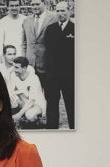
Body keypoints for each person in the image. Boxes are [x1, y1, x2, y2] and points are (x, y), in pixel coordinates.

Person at [44, 1, 74, 129]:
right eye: (58, 11)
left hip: (69, 75)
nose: (60, 13)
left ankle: (74, 128)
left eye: (63, 11)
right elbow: (48, 53)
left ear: (69, 11)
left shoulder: (75, 28)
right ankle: (52, 130)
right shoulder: (51, 29)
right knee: (51, 105)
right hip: (53, 76)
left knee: (71, 105)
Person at [10, 56, 46, 126]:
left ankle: (38, 118)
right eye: (13, 66)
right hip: (24, 102)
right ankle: (21, 116)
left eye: (16, 67)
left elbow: (32, 100)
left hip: (36, 104)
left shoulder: (34, 78)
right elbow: (10, 91)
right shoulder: (14, 75)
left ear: (24, 68)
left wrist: (18, 115)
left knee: (30, 115)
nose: (14, 69)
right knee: (9, 95)